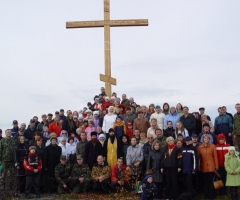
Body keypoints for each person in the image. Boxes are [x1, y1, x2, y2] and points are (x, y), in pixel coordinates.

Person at [198, 134, 219, 200]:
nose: (206, 140)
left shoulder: (213, 146)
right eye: (205, 139)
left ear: (209, 140)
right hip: (203, 167)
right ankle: (206, 195)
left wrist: (216, 166)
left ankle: (211, 195)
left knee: (211, 181)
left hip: (211, 167)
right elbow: (199, 158)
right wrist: (199, 166)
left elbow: (215, 157)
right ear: (203, 139)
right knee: (205, 181)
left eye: (207, 139)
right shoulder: (200, 147)